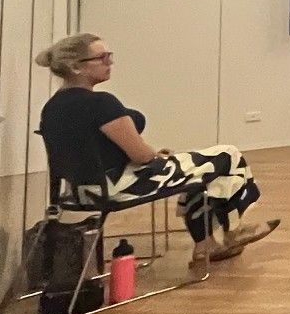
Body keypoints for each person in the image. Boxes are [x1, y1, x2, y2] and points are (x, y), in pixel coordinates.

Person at [35, 34, 277, 263]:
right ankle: (228, 233)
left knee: (203, 167)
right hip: (121, 186)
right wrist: (155, 155)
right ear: (76, 67)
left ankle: (211, 241)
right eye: (103, 58)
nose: (110, 63)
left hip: (82, 191)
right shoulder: (101, 104)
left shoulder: (52, 108)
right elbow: (140, 155)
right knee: (228, 156)